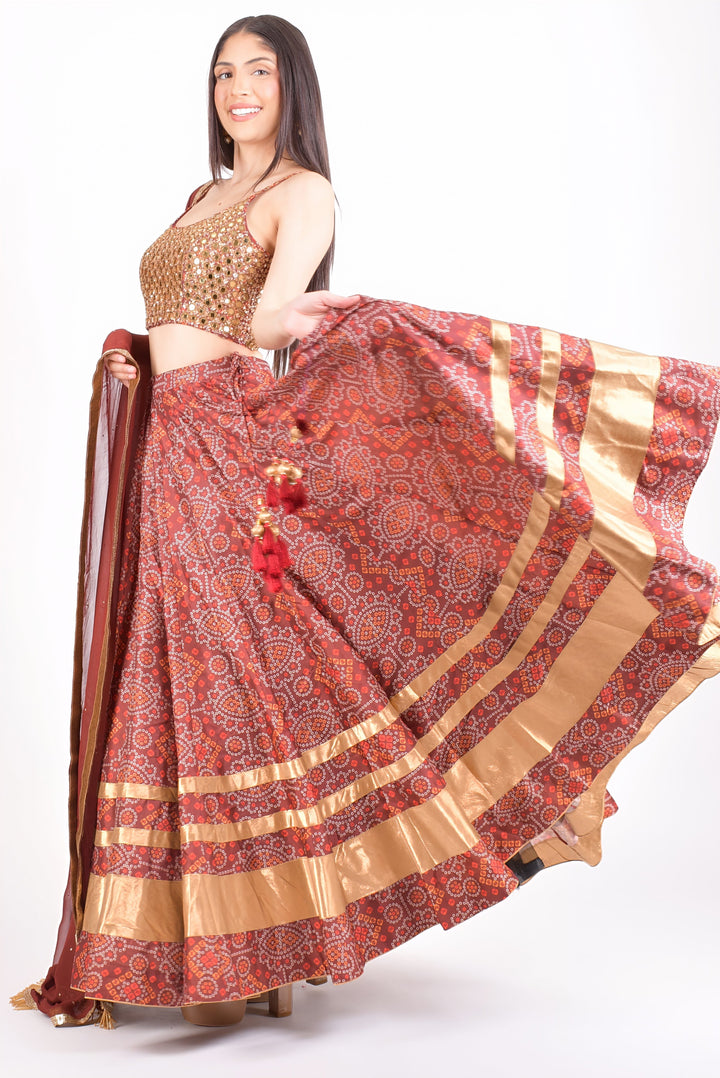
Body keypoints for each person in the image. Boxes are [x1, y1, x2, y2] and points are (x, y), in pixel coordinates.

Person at [13, 13, 720, 1029]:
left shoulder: (303, 191)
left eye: (257, 69)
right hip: (165, 449)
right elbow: (175, 312)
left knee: (236, 670)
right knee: (172, 672)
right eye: (222, 72)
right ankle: (209, 939)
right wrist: (134, 352)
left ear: (290, 85)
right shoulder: (200, 198)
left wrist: (293, 319)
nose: (237, 87)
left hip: (229, 446)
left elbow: (262, 319)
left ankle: (263, 943)